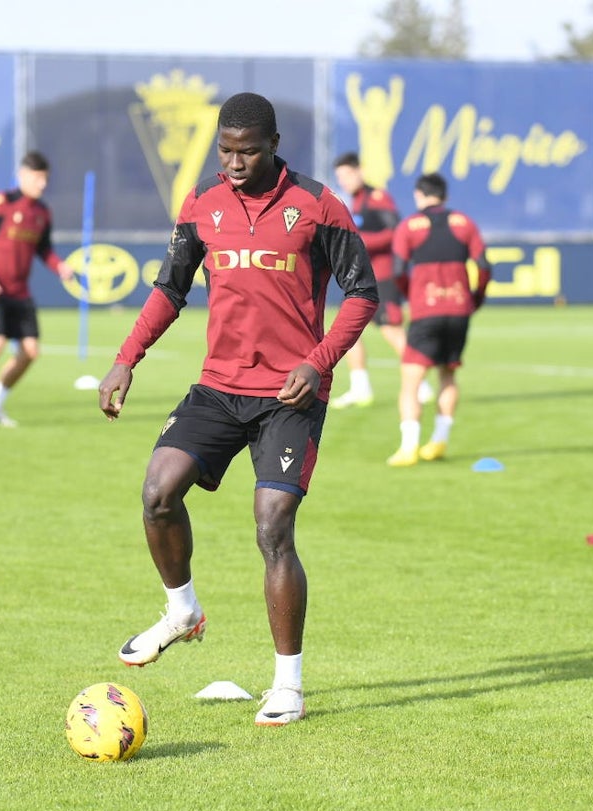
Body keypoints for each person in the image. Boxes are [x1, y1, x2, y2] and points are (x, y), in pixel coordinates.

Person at [97, 92, 378, 726]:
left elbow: (363, 294)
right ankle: (182, 611)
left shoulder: (318, 206)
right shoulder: (202, 204)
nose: (233, 162)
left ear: (274, 146)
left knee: (273, 524)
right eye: (225, 150)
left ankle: (288, 685)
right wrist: (125, 358)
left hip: (290, 392)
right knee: (157, 492)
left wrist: (320, 360)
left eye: (247, 151)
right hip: (219, 387)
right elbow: (170, 288)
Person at [0, 151, 76, 431]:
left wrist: (59, 266)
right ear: (22, 176)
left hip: (20, 293)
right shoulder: (0, 204)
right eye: (36, 178)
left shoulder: (42, 212)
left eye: (45, 179)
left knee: (31, 351)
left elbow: (43, 249)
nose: (41, 184)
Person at [386, 172, 491, 467]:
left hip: (426, 310)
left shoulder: (409, 227)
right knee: (448, 375)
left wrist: (411, 294)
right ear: (444, 196)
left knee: (411, 380)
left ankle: (409, 447)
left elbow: (397, 270)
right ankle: (439, 441)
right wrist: (476, 297)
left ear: (419, 195)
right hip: (459, 309)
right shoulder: (465, 223)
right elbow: (483, 265)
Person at [329, 151, 433, 408]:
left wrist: (360, 242)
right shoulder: (355, 201)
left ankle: (422, 385)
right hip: (364, 278)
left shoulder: (377, 198)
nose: (343, 181)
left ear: (359, 171)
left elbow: (396, 230)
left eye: (346, 175)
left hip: (382, 278)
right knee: (348, 330)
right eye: (339, 177)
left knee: (392, 331)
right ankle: (360, 387)